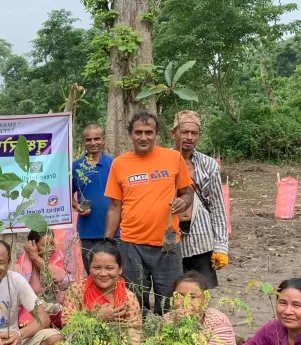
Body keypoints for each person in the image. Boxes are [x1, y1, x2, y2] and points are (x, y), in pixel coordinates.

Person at [104, 111, 194, 315]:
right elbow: (115, 207)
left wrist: (183, 202)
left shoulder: (173, 158)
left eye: (148, 132)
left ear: (156, 134)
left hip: (168, 244)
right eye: (138, 132)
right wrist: (108, 241)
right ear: (130, 134)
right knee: (135, 301)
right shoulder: (120, 163)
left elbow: (187, 193)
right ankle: (138, 342)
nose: (143, 137)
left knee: (170, 301)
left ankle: (167, 342)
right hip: (131, 244)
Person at [52, 239, 141, 345]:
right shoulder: (77, 290)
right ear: (89, 267)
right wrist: (97, 316)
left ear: (120, 269)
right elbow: (67, 326)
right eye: (97, 267)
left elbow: (135, 332)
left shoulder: (128, 297)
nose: (103, 273)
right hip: (82, 344)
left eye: (109, 268)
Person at [171, 111, 229, 288]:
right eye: (184, 132)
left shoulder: (209, 164)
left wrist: (221, 246)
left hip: (201, 239)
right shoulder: (161, 162)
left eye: (194, 133)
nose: (189, 137)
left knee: (201, 293)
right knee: (173, 293)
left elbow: (218, 207)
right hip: (170, 239)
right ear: (173, 134)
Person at [71, 124, 115, 273]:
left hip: (115, 231)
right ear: (83, 141)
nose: (93, 143)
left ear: (103, 140)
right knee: (93, 273)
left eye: (97, 138)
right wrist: (77, 206)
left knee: (115, 274)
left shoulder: (114, 164)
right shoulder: (76, 167)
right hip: (88, 231)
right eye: (88, 140)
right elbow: (67, 195)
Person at [15, 230, 67, 328]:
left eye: (52, 243)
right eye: (45, 246)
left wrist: (36, 258)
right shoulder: (22, 264)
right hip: (32, 307)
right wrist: (33, 257)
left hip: (54, 306)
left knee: (69, 319)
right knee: (27, 323)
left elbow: (59, 277)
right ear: (33, 246)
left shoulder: (57, 258)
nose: (51, 248)